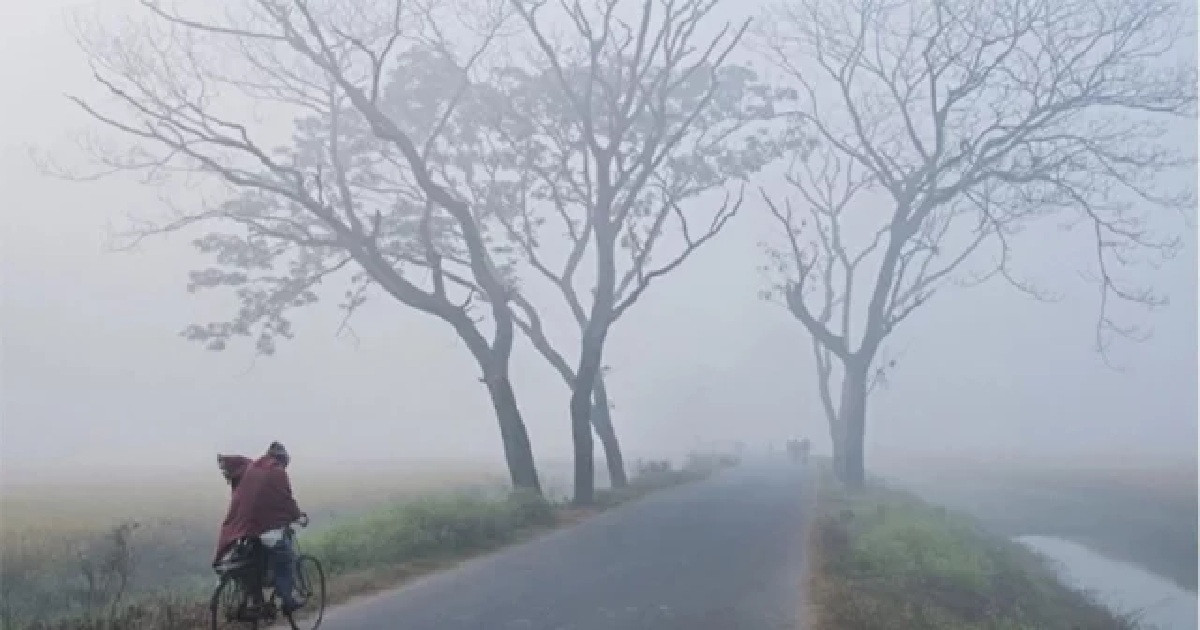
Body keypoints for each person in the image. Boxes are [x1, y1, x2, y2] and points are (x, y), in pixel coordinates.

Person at [214, 441, 307, 615]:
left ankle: (256, 601)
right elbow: (286, 500)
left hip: (243, 529)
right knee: (286, 558)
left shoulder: (252, 468)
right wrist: (298, 516)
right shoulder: (277, 473)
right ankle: (287, 600)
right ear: (282, 460)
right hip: (263, 527)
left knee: (255, 563)